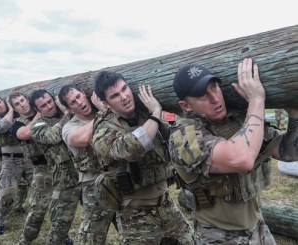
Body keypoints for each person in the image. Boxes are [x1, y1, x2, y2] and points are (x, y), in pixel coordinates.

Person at [169, 58, 298, 244]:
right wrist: (256, 99)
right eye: (202, 95)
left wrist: (293, 111)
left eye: (214, 87)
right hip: (219, 235)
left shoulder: (239, 121)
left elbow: (289, 152)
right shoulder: (183, 138)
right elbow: (242, 158)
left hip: (257, 226)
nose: (214, 98)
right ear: (186, 106)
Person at [91, 71, 195, 244]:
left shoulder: (143, 114)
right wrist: (155, 113)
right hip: (134, 212)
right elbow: (131, 148)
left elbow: (175, 136)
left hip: (165, 203)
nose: (124, 97)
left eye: (125, 89)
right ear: (106, 103)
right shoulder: (102, 130)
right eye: (115, 95)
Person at [59, 85, 118, 244]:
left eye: (79, 96)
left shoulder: (107, 112)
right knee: (91, 237)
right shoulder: (69, 127)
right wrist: (103, 112)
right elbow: (84, 138)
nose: (79, 102)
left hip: (120, 177)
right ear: (70, 109)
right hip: (94, 185)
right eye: (73, 102)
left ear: (85, 94)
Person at [29, 89, 78, 245]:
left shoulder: (67, 114)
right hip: (63, 176)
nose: (49, 106)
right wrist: (67, 115)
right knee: (60, 222)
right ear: (38, 110)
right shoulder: (37, 126)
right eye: (44, 105)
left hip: (84, 169)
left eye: (50, 101)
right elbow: (53, 136)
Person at [5, 92, 51, 245]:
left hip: (62, 164)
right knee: (37, 210)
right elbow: (25, 133)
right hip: (41, 169)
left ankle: (62, 236)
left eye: (22, 100)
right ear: (14, 108)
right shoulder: (17, 123)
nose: (22, 104)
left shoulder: (47, 110)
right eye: (17, 104)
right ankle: (24, 241)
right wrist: (39, 114)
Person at [0, 94, 33, 235]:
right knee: (7, 193)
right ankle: (0, 221)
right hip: (10, 160)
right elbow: (2, 127)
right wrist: (11, 109)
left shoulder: (22, 113)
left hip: (29, 158)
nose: (0, 106)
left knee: (40, 190)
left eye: (0, 102)